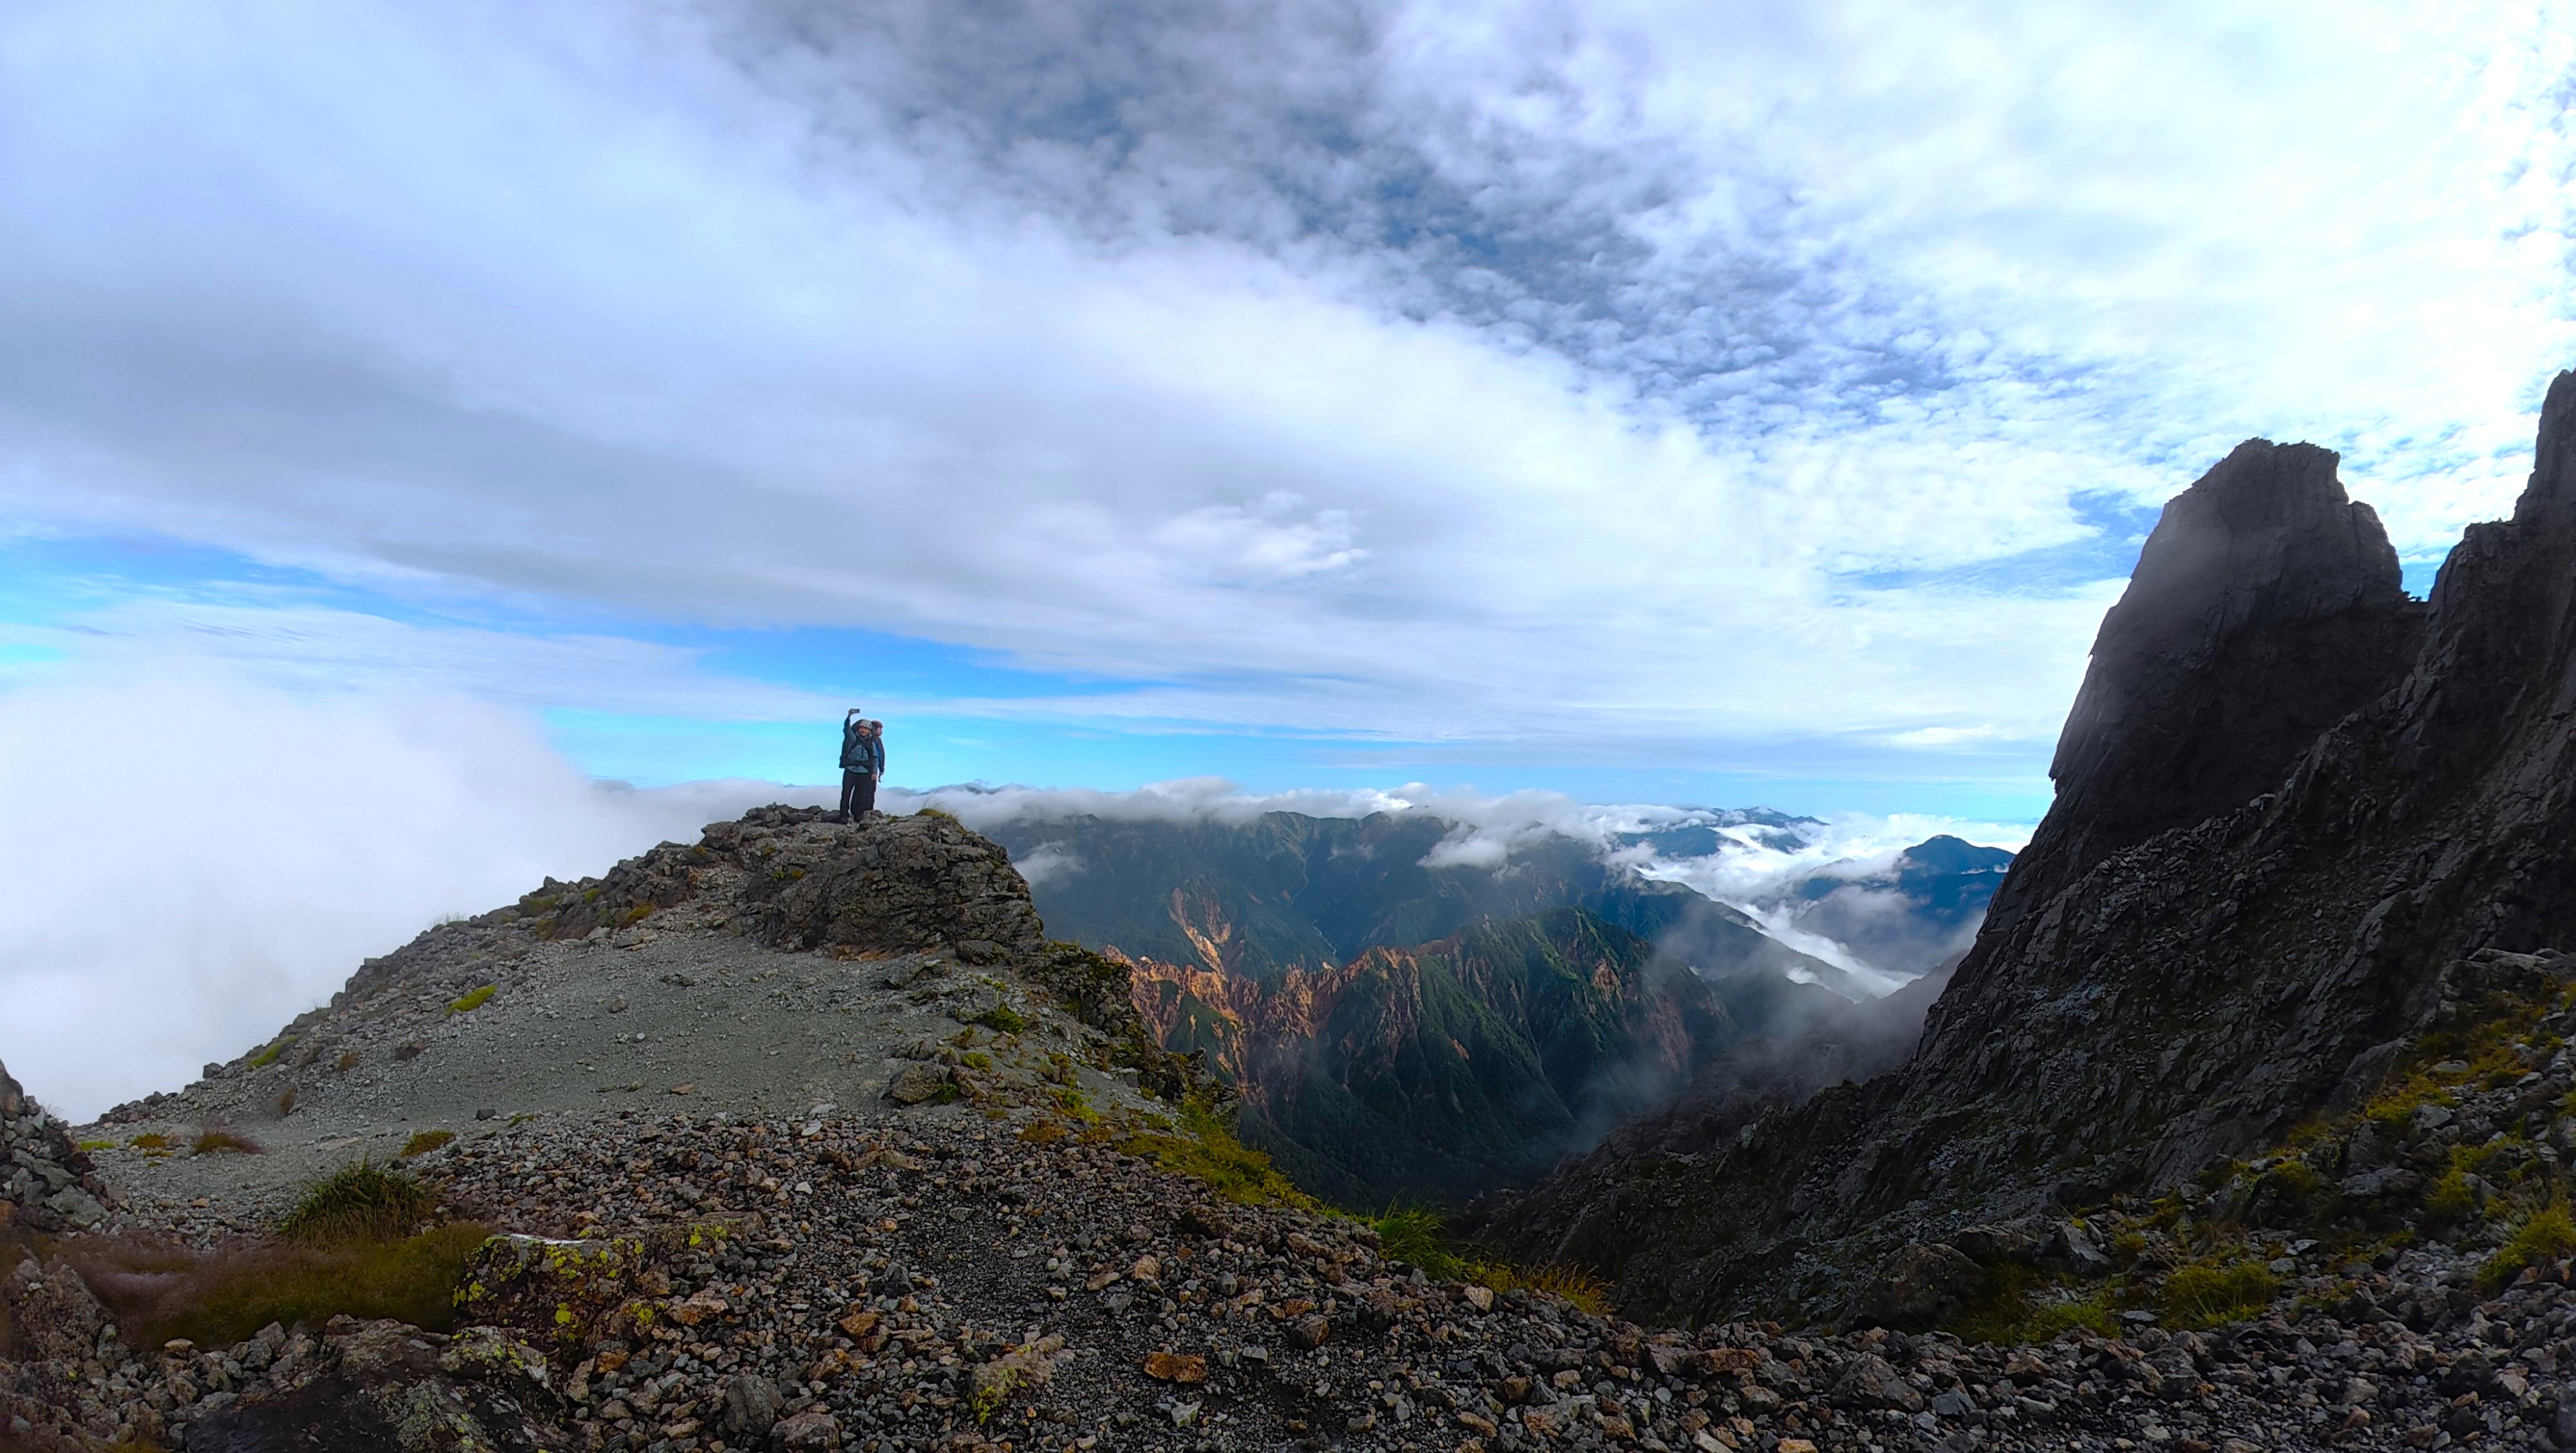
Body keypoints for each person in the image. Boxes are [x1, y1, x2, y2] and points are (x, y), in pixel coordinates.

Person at [838, 710, 886, 820]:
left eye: (866, 729)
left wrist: (874, 772)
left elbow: (875, 758)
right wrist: (849, 717)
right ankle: (844, 815)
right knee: (846, 793)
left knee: (859, 794)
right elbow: (847, 730)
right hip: (851, 770)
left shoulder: (871, 743)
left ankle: (857, 815)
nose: (863, 730)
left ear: (869, 731)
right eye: (862, 728)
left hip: (864, 772)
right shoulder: (853, 738)